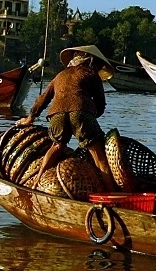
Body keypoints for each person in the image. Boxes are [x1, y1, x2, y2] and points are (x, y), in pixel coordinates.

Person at [15, 45, 115, 191]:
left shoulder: (60, 75)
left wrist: (30, 117)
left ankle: (37, 181)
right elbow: (100, 104)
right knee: (99, 154)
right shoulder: (91, 74)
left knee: (56, 146)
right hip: (81, 112)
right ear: (92, 62)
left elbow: (42, 99)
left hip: (56, 114)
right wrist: (90, 116)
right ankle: (111, 193)